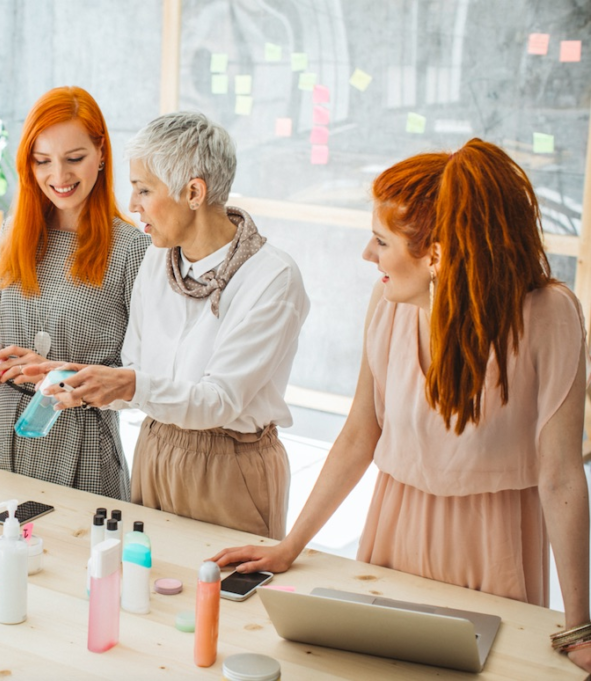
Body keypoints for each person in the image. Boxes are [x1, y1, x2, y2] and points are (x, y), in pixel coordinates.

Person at [210, 139, 591, 673]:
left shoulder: (550, 315)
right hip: (396, 526)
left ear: (435, 255)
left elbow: (562, 476)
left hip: (494, 543)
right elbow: (358, 436)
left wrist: (581, 626)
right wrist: (289, 546)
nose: (368, 255)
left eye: (380, 241)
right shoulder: (388, 305)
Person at [39, 112, 309, 538]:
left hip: (230, 465)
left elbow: (219, 401)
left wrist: (129, 385)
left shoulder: (271, 278)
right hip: (155, 449)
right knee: (140, 590)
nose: (132, 205)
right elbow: (138, 371)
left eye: (144, 189)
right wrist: (82, 381)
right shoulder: (154, 260)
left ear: (194, 192)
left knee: (226, 599)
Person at [0, 86, 149, 499]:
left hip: (81, 444)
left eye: (74, 159)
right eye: (42, 161)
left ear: (101, 153)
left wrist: (58, 373)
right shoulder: (14, 233)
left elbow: (142, 376)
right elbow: (1, 328)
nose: (59, 177)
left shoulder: (132, 250)